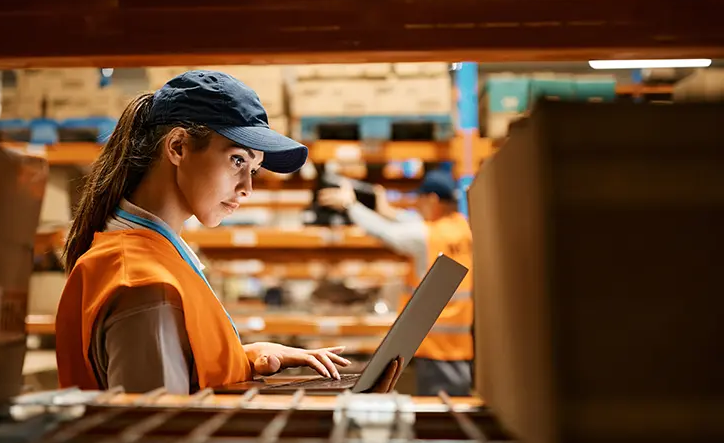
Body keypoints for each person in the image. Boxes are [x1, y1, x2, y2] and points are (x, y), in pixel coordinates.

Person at [55, 70, 403, 394]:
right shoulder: (144, 283)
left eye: (255, 169)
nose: (248, 187)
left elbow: (181, 385)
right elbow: (159, 435)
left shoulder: (153, 259)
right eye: (238, 160)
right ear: (178, 147)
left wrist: (245, 359)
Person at [318, 169, 473, 396]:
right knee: (453, 408)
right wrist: (384, 208)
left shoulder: (427, 235)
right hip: (457, 341)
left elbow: (388, 233)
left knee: (438, 416)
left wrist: (350, 206)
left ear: (432, 199)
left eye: (419, 200)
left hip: (435, 342)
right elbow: (411, 223)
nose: (416, 205)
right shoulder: (461, 226)